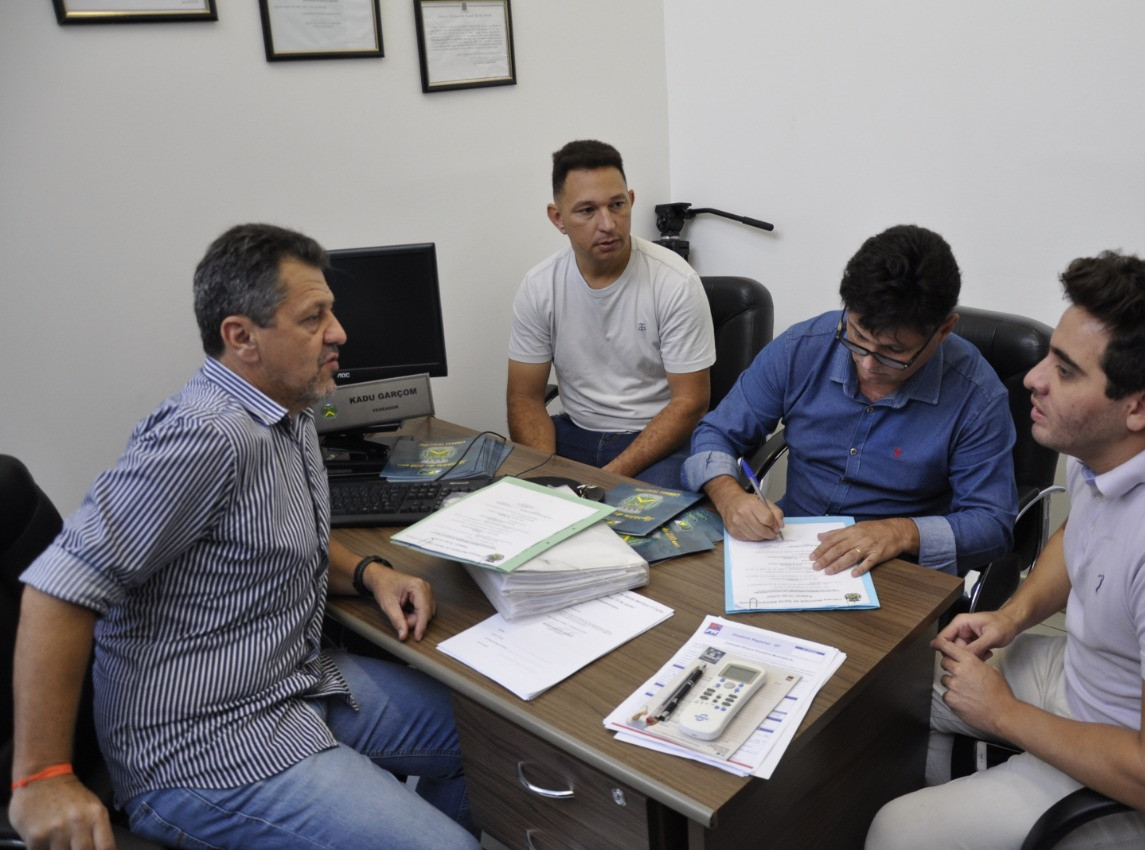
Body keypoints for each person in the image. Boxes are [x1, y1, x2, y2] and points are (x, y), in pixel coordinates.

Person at [9, 224, 480, 850]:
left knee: (485, 742)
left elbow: (283, 537)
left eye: (331, 312)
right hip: (203, 748)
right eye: (314, 318)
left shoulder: (291, 406)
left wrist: (372, 573)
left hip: (292, 682)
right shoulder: (203, 438)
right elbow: (57, 588)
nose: (339, 333)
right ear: (242, 338)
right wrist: (41, 778)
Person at [866, 252, 1145, 849]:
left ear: (1142, 405)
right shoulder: (1117, 451)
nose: (1033, 379)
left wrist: (1004, 715)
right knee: (895, 678)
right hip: (1093, 687)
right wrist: (1010, 617)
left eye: (1064, 371)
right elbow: (1078, 538)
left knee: (898, 832)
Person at [682, 224, 1016, 577]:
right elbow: (716, 432)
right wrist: (728, 494)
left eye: (894, 352)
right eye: (856, 336)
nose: (868, 365)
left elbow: (993, 524)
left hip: (893, 568)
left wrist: (902, 532)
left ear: (944, 330)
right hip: (788, 547)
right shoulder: (803, 347)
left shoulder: (977, 396)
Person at [506, 139, 716, 488]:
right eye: (587, 211)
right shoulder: (539, 285)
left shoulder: (675, 282)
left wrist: (601, 481)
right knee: (515, 507)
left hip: (655, 442)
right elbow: (524, 397)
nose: (608, 223)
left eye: (617, 205)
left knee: (641, 529)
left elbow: (690, 402)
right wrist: (545, 477)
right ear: (558, 218)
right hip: (574, 433)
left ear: (631, 201)